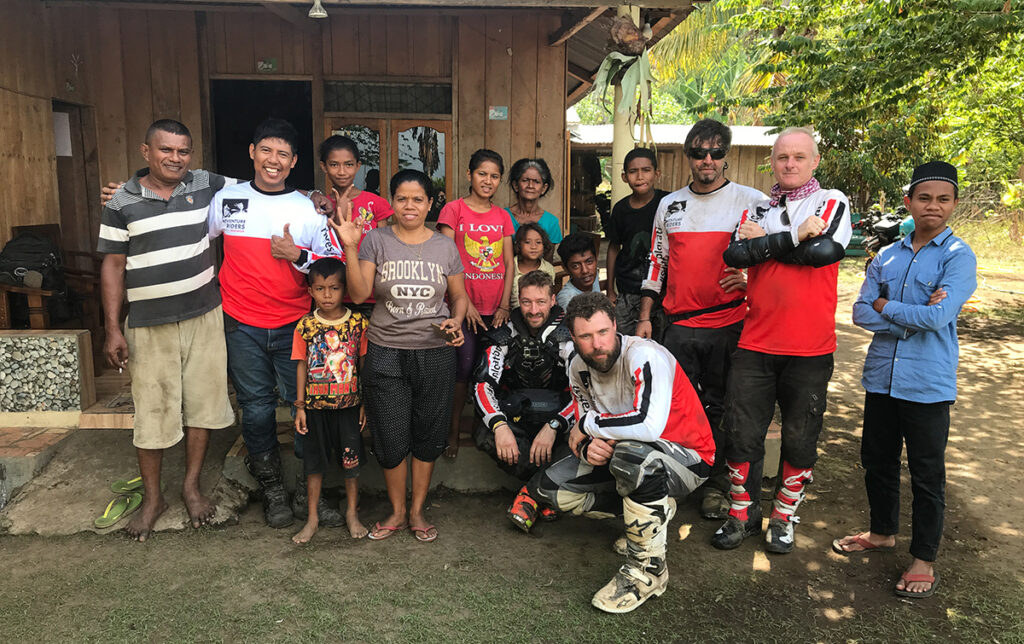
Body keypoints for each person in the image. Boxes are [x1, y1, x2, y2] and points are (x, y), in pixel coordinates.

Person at [833, 161, 977, 599]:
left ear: (953, 204)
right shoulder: (887, 256)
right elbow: (859, 311)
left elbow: (938, 318)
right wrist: (906, 317)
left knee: (927, 473)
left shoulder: (958, 256)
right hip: (882, 379)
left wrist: (887, 307)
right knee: (877, 460)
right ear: (908, 202)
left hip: (928, 384)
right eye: (924, 198)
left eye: (943, 199)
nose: (933, 206)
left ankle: (923, 559)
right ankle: (881, 533)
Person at [528, 292, 714, 613]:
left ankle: (648, 571)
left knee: (632, 458)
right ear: (573, 337)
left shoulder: (644, 355)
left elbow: (647, 426)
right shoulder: (578, 367)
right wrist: (587, 447)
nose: (597, 344)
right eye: (586, 336)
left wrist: (587, 426)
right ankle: (654, 512)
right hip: (628, 455)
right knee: (551, 488)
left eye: (603, 332)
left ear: (615, 325)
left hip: (689, 457)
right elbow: (586, 431)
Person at [713, 126, 852, 553]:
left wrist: (766, 246)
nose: (789, 164)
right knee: (741, 433)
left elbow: (823, 254)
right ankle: (742, 513)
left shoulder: (831, 201)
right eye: (782, 157)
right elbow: (735, 255)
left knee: (800, 437)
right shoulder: (758, 207)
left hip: (810, 347)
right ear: (771, 162)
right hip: (755, 341)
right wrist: (795, 238)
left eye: (798, 156)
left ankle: (783, 517)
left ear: (815, 161)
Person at [97, 119, 236, 541]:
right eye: (166, 150)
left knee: (203, 405)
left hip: (203, 315)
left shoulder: (204, 183)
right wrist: (112, 329)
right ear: (146, 151)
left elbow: (260, 187)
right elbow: (113, 265)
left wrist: (312, 196)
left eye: (183, 151)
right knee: (152, 411)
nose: (175, 158)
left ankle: (191, 487)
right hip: (148, 323)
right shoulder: (121, 201)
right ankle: (153, 499)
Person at [208, 118, 342, 530]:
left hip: (294, 325)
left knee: (307, 405)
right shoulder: (226, 199)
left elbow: (332, 264)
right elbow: (195, 237)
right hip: (241, 323)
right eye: (266, 150)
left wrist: (296, 255)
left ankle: (307, 493)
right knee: (256, 410)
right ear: (252, 152)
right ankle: (273, 491)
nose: (273, 160)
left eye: (283, 154)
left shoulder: (307, 209)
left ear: (294, 161)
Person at [637, 119, 768, 520]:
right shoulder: (670, 205)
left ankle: (716, 484)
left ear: (726, 156)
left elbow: (775, 256)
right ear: (688, 157)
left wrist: (750, 279)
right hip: (678, 326)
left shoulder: (753, 201)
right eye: (698, 152)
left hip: (728, 324)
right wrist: (645, 315)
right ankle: (679, 476)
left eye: (715, 152)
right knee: (673, 406)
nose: (707, 160)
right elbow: (657, 262)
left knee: (722, 407)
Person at [332, 169, 469, 543]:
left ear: (430, 203)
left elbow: (458, 296)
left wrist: (456, 321)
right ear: (391, 202)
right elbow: (359, 294)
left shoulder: (444, 246)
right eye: (402, 198)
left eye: (418, 199)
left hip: (435, 351)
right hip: (386, 350)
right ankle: (396, 511)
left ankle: (417, 511)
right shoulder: (376, 239)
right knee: (390, 435)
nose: (410, 206)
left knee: (428, 433)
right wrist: (350, 247)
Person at [473, 270, 574, 532]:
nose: (534, 310)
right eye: (527, 302)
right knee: (485, 434)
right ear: (519, 300)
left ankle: (533, 495)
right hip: (517, 416)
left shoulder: (569, 335)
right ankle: (546, 490)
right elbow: (483, 385)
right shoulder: (505, 333)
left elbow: (586, 393)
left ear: (553, 300)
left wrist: (555, 425)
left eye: (541, 302)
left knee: (582, 435)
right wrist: (499, 426)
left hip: (557, 420)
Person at [438, 149, 515, 459]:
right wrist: (464, 303)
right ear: (469, 174)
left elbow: (508, 263)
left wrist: (505, 306)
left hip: (495, 311)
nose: (488, 180)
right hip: (463, 309)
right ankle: (453, 431)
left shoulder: (503, 216)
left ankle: (486, 428)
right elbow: (445, 259)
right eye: (482, 173)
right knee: (463, 368)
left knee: (492, 371)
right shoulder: (453, 210)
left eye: (494, 176)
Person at [291, 258, 370, 544]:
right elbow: (301, 365)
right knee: (314, 465)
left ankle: (351, 513)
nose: (327, 295)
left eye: (334, 288)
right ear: (310, 291)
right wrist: (300, 407)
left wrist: (364, 403)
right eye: (320, 289)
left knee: (351, 462)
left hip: (349, 407)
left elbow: (362, 365)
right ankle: (312, 518)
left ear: (344, 289)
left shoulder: (358, 323)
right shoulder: (306, 325)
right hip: (315, 409)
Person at [605, 148, 669, 338]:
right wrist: (610, 289)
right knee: (625, 342)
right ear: (624, 177)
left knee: (660, 343)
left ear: (657, 173)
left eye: (646, 170)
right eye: (633, 171)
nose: (640, 177)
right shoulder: (621, 209)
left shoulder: (667, 203)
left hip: (663, 291)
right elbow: (614, 248)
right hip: (628, 290)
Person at [506, 158, 564, 246]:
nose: (530, 186)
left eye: (536, 182)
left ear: (543, 188)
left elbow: (548, 255)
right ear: (516, 185)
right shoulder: (503, 216)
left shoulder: (551, 222)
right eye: (525, 180)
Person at [509, 223, 556, 309]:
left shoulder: (548, 268)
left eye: (538, 242)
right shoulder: (511, 265)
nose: (533, 247)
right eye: (528, 242)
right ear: (519, 244)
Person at [555, 232, 600, 309]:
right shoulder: (568, 299)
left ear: (596, 259)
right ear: (565, 268)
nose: (585, 271)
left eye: (589, 261)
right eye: (576, 266)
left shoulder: (592, 277)